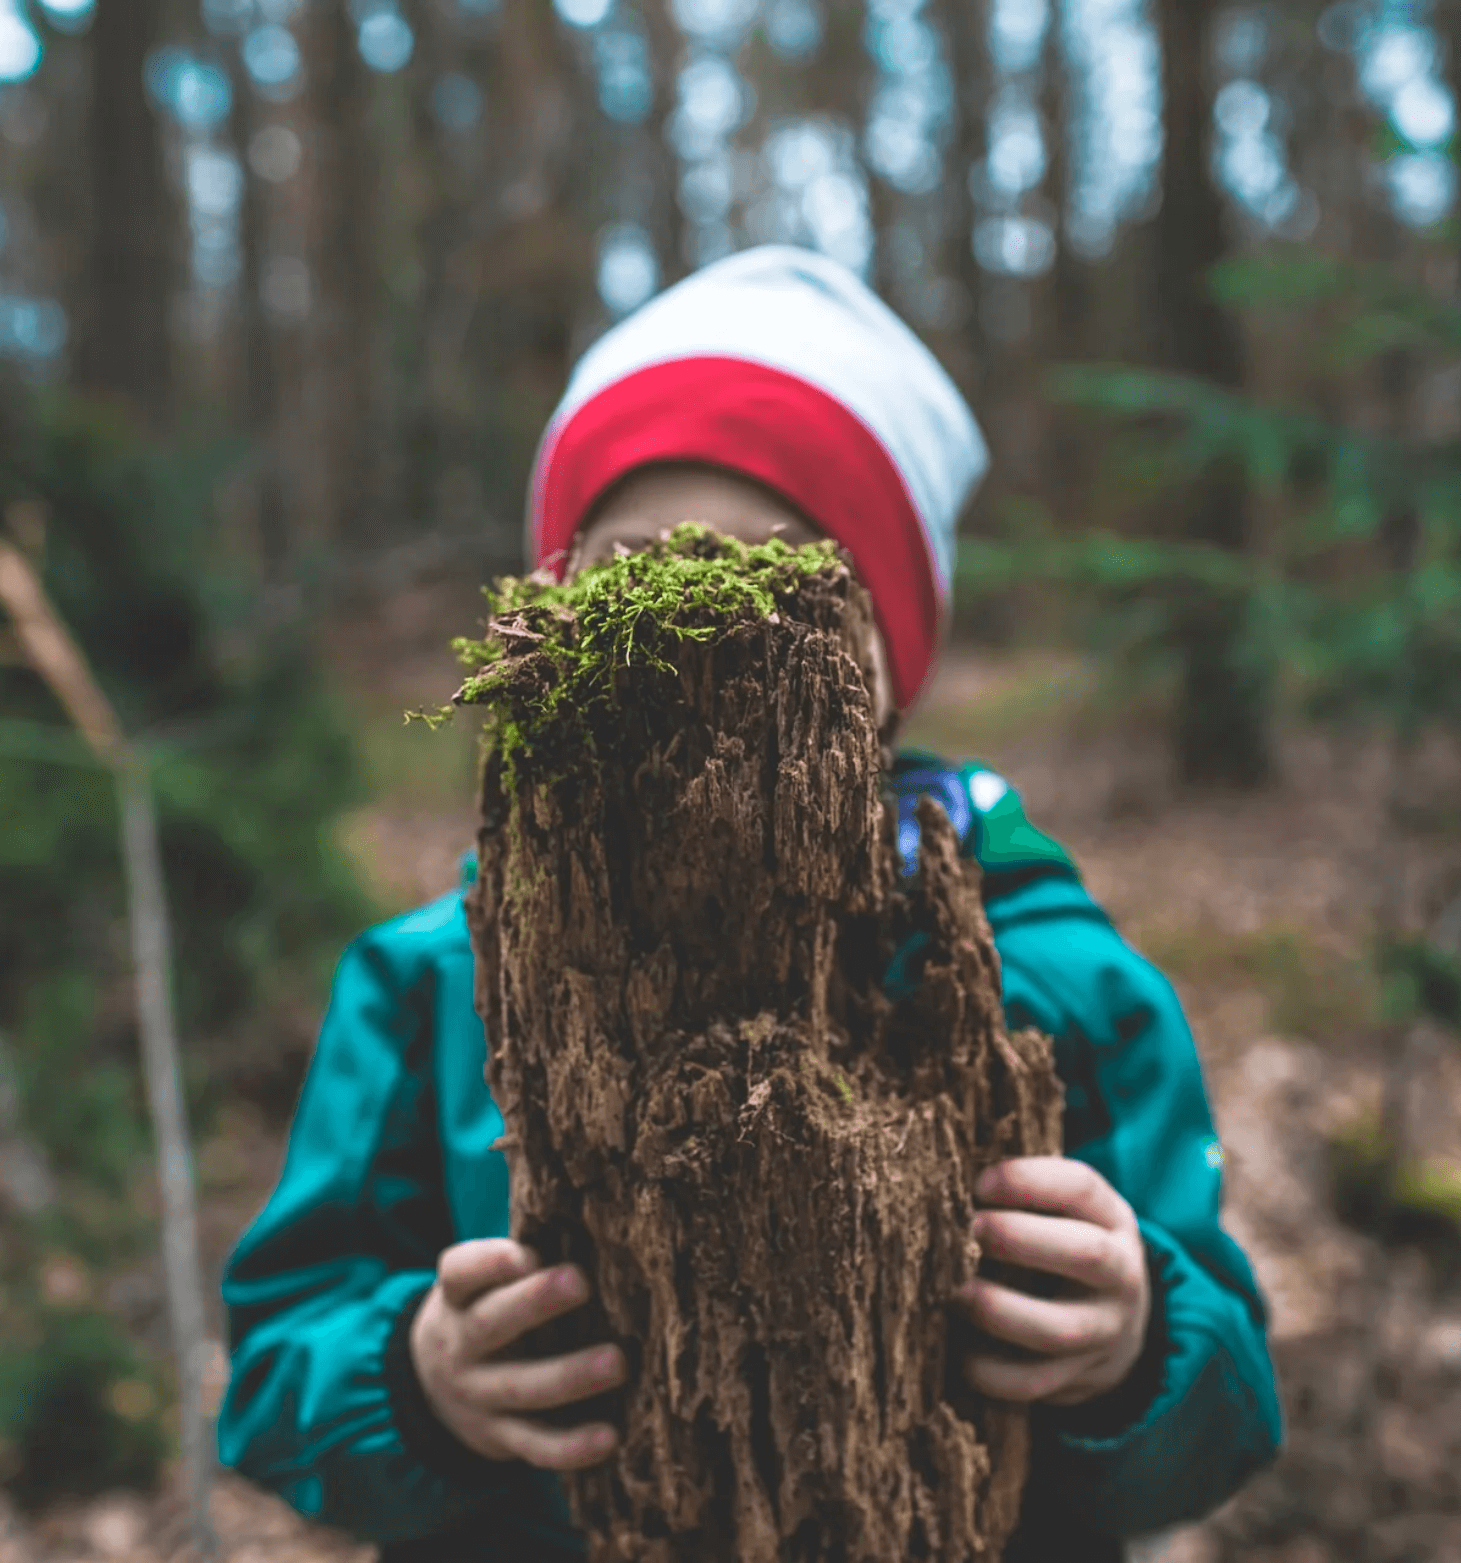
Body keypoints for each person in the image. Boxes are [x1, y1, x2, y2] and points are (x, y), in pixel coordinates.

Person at [217, 246, 1282, 1562]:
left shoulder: (1060, 984)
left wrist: (1136, 1343)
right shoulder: (435, 986)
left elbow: (1230, 1412)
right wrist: (417, 1384)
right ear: (547, 625)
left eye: (790, 587)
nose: (712, 640)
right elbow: (271, 1374)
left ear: (892, 659)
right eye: (639, 578)